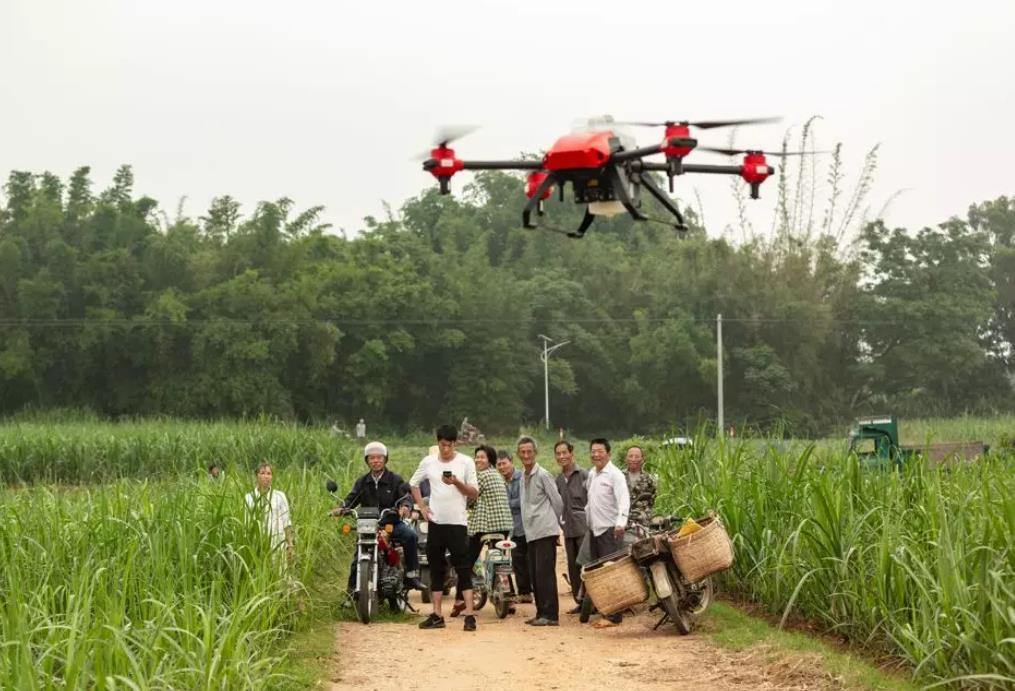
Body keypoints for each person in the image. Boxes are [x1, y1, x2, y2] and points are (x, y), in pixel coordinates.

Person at [409, 425, 480, 631]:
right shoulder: (428, 462)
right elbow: (413, 484)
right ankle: (437, 614)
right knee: (436, 569)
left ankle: (469, 615)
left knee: (463, 569)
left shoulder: (465, 462)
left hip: (458, 523)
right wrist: (422, 506)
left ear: (455, 444)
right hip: (436, 522)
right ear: (438, 443)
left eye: (449, 445)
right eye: (442, 445)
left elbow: (474, 493)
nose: (446, 449)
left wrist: (456, 482)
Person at [331, 441, 423, 595]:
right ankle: (351, 592)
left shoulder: (395, 479)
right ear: (367, 460)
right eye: (372, 458)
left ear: (385, 459)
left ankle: (411, 576)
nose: (375, 461)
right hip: (368, 524)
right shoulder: (363, 481)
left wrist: (405, 506)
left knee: (411, 535)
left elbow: (405, 496)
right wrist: (342, 508)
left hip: (390, 523)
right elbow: (352, 499)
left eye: (379, 458)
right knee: (357, 554)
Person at [451, 444, 513, 616]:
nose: (478, 459)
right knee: (501, 560)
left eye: (482, 457)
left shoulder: (480, 476)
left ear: (490, 460)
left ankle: (460, 599)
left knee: (467, 562)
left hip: (484, 525)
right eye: (476, 457)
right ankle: (508, 596)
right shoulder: (498, 475)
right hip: (505, 524)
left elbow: (471, 497)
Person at [584, 438, 630, 628]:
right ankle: (605, 610)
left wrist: (621, 523)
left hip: (610, 530)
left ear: (608, 453)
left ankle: (615, 616)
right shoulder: (592, 474)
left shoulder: (615, 475)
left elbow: (624, 500)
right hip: (595, 530)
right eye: (593, 451)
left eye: (600, 451)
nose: (596, 454)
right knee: (598, 573)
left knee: (611, 573)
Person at [518, 436, 563, 627]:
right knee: (535, 574)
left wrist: (556, 527)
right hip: (531, 531)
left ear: (535, 453)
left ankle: (551, 615)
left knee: (545, 573)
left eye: (530, 451)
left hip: (545, 530)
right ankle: (541, 612)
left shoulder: (543, 474)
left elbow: (558, 501)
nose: (526, 455)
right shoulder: (523, 475)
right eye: (523, 452)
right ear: (518, 454)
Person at [554, 440, 588, 613]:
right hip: (567, 529)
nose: (562, 456)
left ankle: (592, 602)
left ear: (571, 454)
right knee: (573, 566)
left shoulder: (584, 475)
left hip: (584, 528)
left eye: (564, 453)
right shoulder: (558, 480)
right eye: (558, 454)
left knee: (586, 566)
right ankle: (580, 601)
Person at [496, 449, 532, 604]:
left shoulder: (522, 477)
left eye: (504, 463)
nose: (502, 467)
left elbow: (524, 501)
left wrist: (505, 504)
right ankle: (520, 593)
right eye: (499, 465)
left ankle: (528, 591)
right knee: (516, 561)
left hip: (525, 526)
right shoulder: (501, 481)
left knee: (527, 560)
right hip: (510, 527)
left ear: (511, 462)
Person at [245, 462, 294, 562]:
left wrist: (290, 545)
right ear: (256, 476)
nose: (266, 476)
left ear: (272, 477)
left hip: (278, 545)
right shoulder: (249, 498)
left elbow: (286, 522)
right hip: (257, 546)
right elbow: (247, 524)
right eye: (262, 473)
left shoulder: (280, 496)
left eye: (269, 473)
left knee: (280, 575)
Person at [623, 445, 657, 530]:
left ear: (642, 459)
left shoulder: (648, 479)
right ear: (626, 458)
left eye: (637, 456)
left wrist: (643, 513)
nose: (633, 459)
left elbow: (651, 500)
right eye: (630, 456)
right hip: (621, 521)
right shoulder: (619, 476)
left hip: (642, 522)